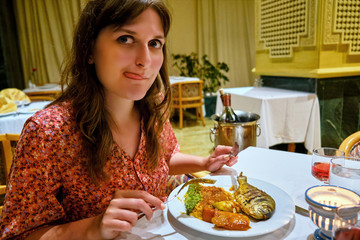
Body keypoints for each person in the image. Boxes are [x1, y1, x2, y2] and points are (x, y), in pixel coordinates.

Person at [0, 0, 238, 239]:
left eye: (155, 43)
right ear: (89, 49)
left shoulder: (153, 109)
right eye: (126, 39)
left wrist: (204, 163)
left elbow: (163, 158)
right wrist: (93, 227)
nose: (145, 60)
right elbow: (19, 233)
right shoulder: (48, 132)